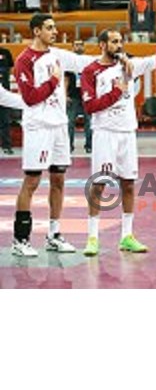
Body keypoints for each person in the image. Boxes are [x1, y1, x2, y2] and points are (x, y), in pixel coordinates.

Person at [11, 13, 94, 257]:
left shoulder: (57, 55)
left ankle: (54, 234)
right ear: (36, 31)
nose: (54, 31)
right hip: (39, 127)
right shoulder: (24, 60)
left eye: (54, 27)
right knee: (32, 181)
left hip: (59, 126)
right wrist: (53, 81)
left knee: (58, 180)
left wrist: (115, 60)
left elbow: (83, 62)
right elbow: (30, 98)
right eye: (49, 28)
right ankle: (20, 239)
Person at [80, 29, 156, 256]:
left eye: (121, 41)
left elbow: (155, 60)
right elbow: (90, 106)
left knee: (129, 183)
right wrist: (115, 92)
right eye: (114, 42)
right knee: (100, 184)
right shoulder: (90, 71)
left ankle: (127, 236)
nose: (119, 45)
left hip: (127, 133)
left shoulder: (128, 65)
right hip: (105, 133)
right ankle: (92, 237)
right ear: (102, 45)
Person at [65, 40, 92, 153]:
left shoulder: (89, 62)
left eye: (81, 45)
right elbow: (65, 80)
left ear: (84, 47)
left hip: (87, 97)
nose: (78, 47)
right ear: (72, 47)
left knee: (89, 122)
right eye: (76, 45)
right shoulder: (69, 63)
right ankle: (69, 146)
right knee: (69, 122)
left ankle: (89, 145)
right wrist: (65, 95)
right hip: (73, 96)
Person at [0, 46, 15, 153]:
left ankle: (6, 145)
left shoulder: (6, 52)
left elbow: (10, 68)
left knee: (5, 119)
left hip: (4, 92)